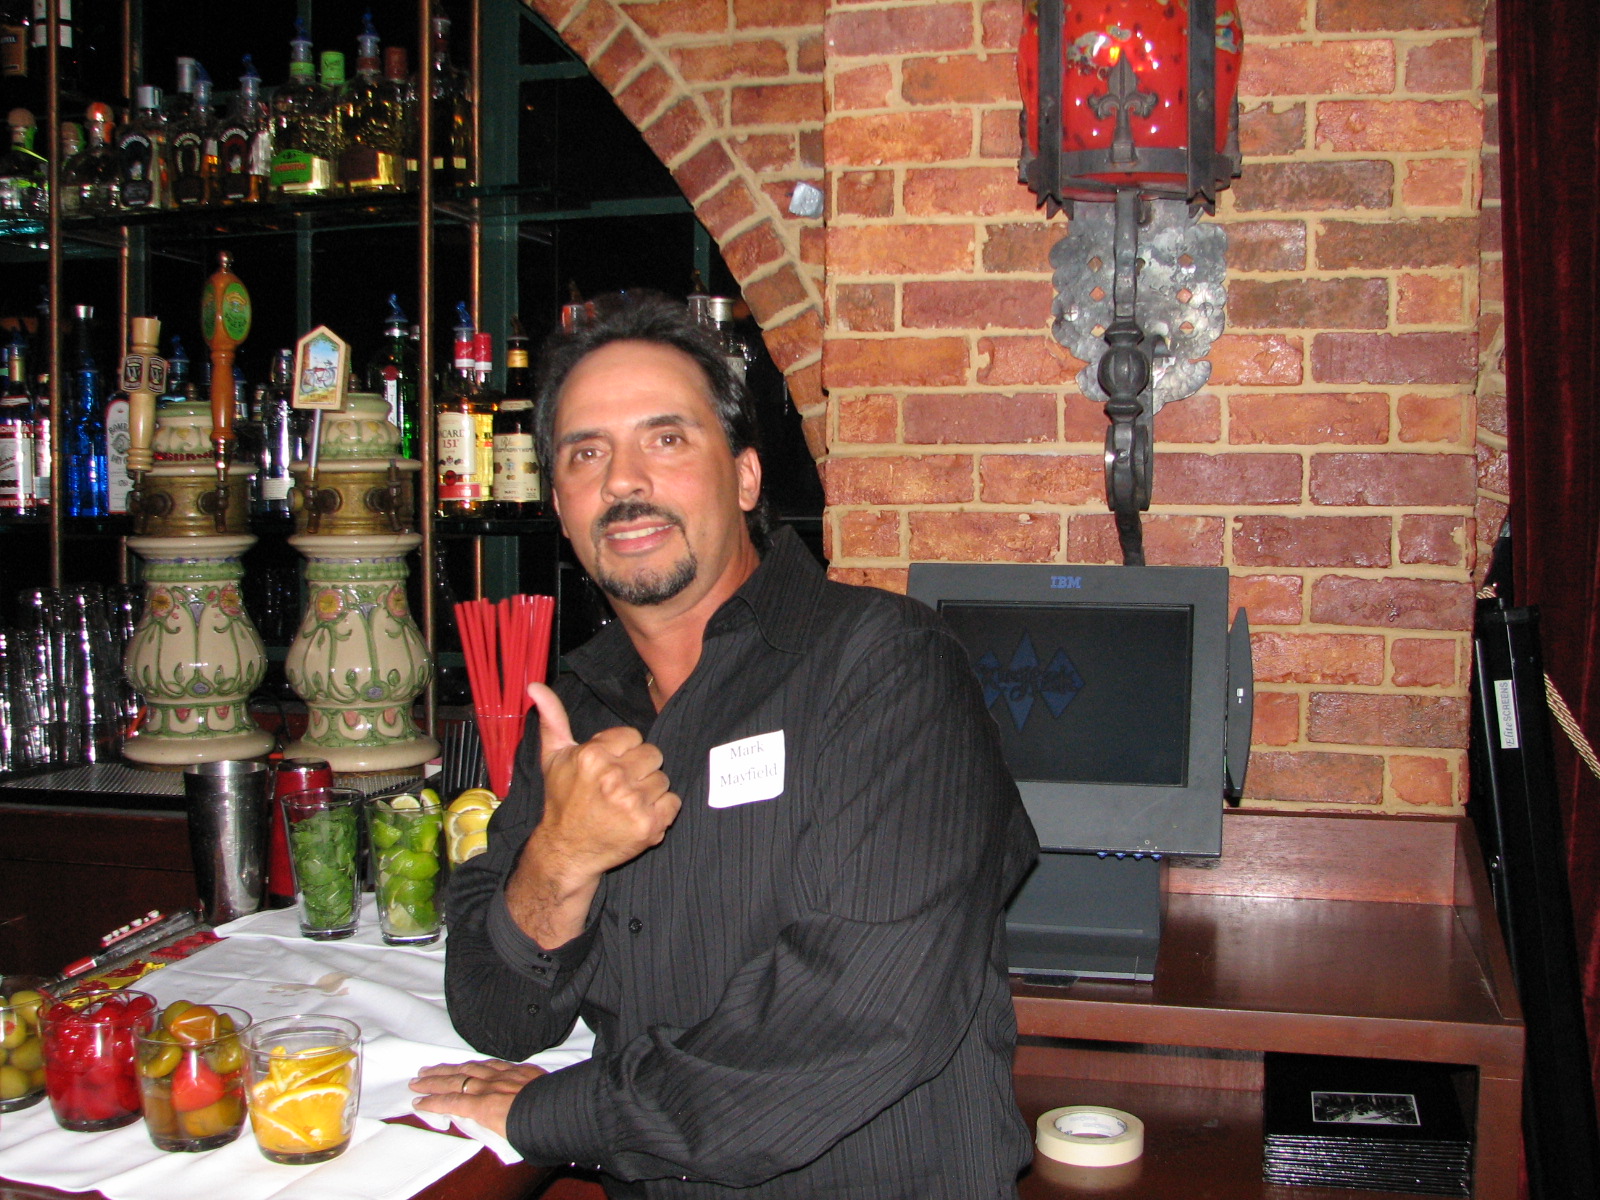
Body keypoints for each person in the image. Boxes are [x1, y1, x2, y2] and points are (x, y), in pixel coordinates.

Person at [412, 292, 1040, 1197]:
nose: (623, 481)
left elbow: (860, 1021)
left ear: (745, 477)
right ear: (559, 504)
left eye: (666, 439)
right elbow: (498, 1015)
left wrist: (557, 1115)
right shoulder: (575, 712)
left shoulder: (887, 667)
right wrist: (560, 858)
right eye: (587, 454)